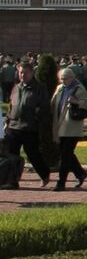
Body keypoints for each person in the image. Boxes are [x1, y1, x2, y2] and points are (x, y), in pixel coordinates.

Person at [4, 60, 52, 188]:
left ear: (32, 73)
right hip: (13, 126)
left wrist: (36, 116)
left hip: (29, 127)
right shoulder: (16, 87)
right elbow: (11, 105)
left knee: (32, 153)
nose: (22, 75)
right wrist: (8, 121)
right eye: (20, 73)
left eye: (25, 73)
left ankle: (44, 174)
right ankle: (12, 181)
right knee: (12, 155)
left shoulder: (39, 88)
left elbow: (44, 107)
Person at [52, 66, 87, 190]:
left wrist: (77, 102)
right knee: (66, 154)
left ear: (72, 78)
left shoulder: (78, 89)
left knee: (65, 156)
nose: (63, 81)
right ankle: (80, 173)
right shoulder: (60, 88)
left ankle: (61, 182)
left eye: (65, 79)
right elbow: (53, 103)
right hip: (59, 126)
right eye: (61, 79)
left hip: (72, 128)